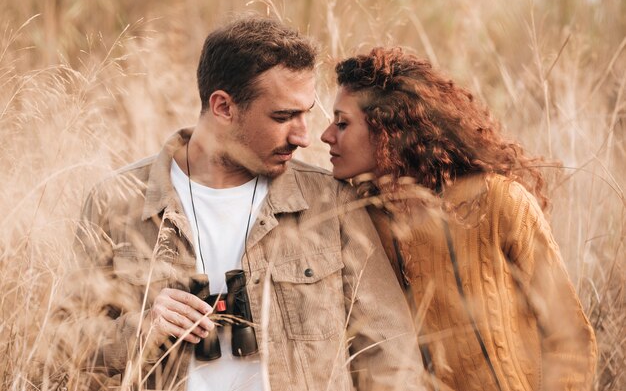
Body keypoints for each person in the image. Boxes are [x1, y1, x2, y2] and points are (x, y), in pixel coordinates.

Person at [67, 20, 422, 391]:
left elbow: (390, 353)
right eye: (283, 117)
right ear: (223, 107)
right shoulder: (116, 200)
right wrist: (141, 328)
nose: (303, 136)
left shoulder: (329, 201)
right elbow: (62, 343)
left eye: (306, 113)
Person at [320, 47, 597, 391]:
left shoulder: (499, 202)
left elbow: (570, 338)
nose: (326, 135)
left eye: (342, 123)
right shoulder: (364, 221)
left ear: (387, 127)